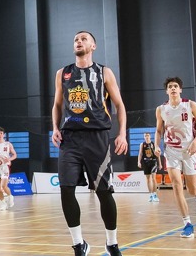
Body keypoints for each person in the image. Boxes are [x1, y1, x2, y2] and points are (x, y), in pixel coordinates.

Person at [51, 31, 127, 256]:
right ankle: (78, 244)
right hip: (70, 138)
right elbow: (57, 104)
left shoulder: (104, 72)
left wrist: (122, 134)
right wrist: (55, 128)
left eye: (84, 39)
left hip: (97, 137)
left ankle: (112, 243)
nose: (79, 41)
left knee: (104, 192)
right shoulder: (62, 73)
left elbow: (119, 105)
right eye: (76, 39)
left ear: (93, 46)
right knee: (66, 189)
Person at [154, 77, 196, 238]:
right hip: (171, 151)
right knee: (177, 185)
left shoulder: (190, 105)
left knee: (191, 190)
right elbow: (159, 130)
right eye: (170, 86)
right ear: (167, 91)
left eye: (175, 86)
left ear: (180, 90)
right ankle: (187, 224)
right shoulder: (161, 109)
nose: (173, 88)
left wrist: (195, 142)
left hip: (189, 151)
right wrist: (157, 145)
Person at [138, 132, 160, 202]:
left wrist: (160, 164)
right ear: (144, 137)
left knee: (153, 178)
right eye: (145, 136)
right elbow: (140, 153)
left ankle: (155, 194)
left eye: (147, 135)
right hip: (145, 162)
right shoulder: (142, 144)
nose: (146, 137)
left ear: (150, 136)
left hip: (153, 162)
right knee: (148, 179)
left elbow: (158, 154)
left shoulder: (153, 144)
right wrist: (138, 162)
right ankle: (151, 195)